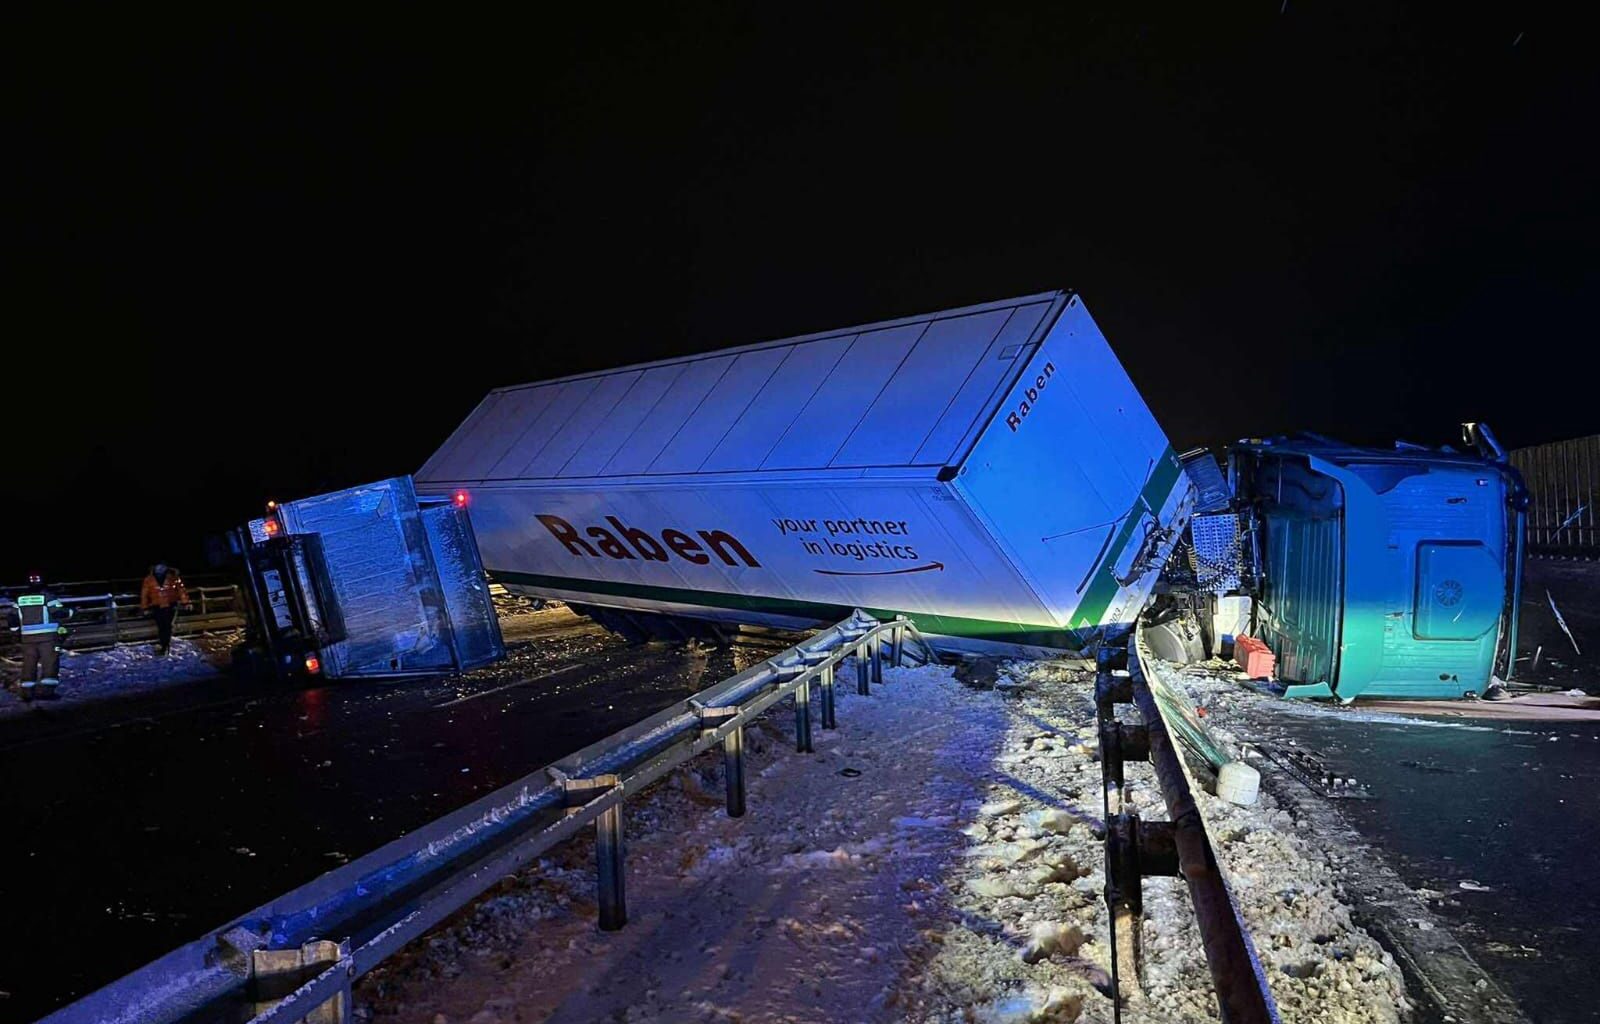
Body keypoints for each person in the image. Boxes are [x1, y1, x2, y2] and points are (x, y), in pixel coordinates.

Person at [6, 572, 72, 700]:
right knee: (49, 664)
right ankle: (46, 692)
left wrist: (15, 630)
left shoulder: (20, 599)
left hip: (27, 639)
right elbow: (59, 613)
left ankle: (27, 692)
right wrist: (72, 612)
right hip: (47, 638)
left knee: (29, 665)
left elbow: (12, 618)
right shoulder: (48, 597)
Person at [140, 563, 191, 655]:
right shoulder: (149, 579)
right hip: (157, 606)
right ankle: (164, 644)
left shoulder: (173, 578)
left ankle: (165, 646)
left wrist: (186, 602)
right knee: (161, 626)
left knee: (168, 626)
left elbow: (181, 590)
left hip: (171, 605)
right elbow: (145, 594)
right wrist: (145, 607)